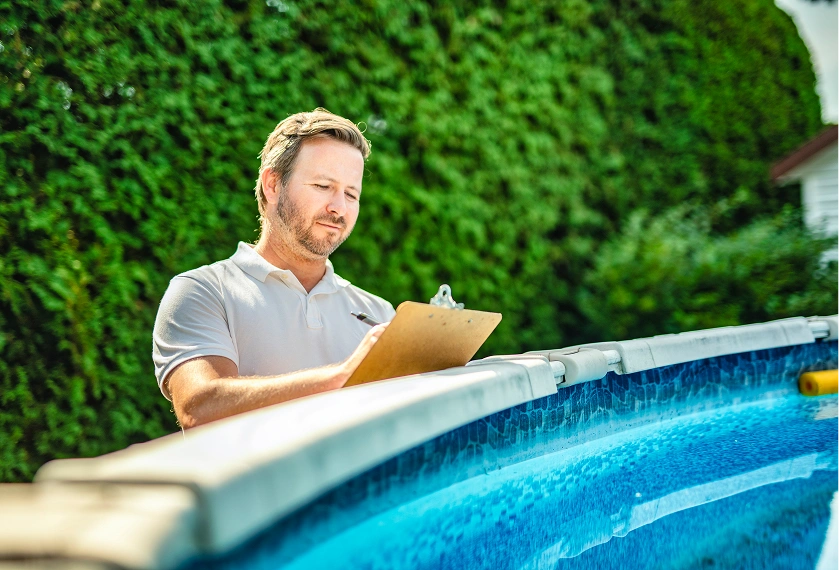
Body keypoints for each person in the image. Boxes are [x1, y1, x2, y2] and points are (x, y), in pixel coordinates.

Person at [153, 109, 395, 429]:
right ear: (272, 184)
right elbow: (201, 406)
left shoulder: (379, 312)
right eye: (323, 186)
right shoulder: (202, 291)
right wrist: (342, 376)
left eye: (352, 194)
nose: (339, 208)